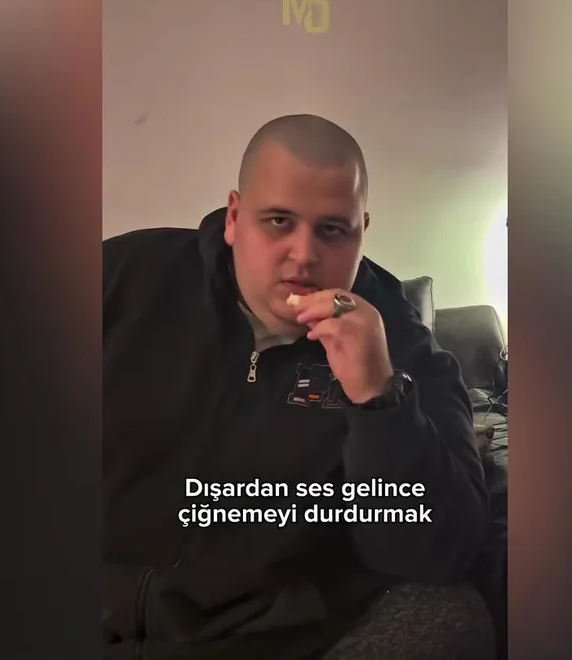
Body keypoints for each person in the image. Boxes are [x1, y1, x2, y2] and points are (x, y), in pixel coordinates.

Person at [102, 114, 493, 659]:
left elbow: (438, 553)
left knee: (453, 620)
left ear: (362, 231)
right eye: (279, 221)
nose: (305, 255)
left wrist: (380, 400)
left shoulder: (403, 347)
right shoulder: (125, 277)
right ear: (235, 218)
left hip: (265, 640)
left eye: (332, 230)